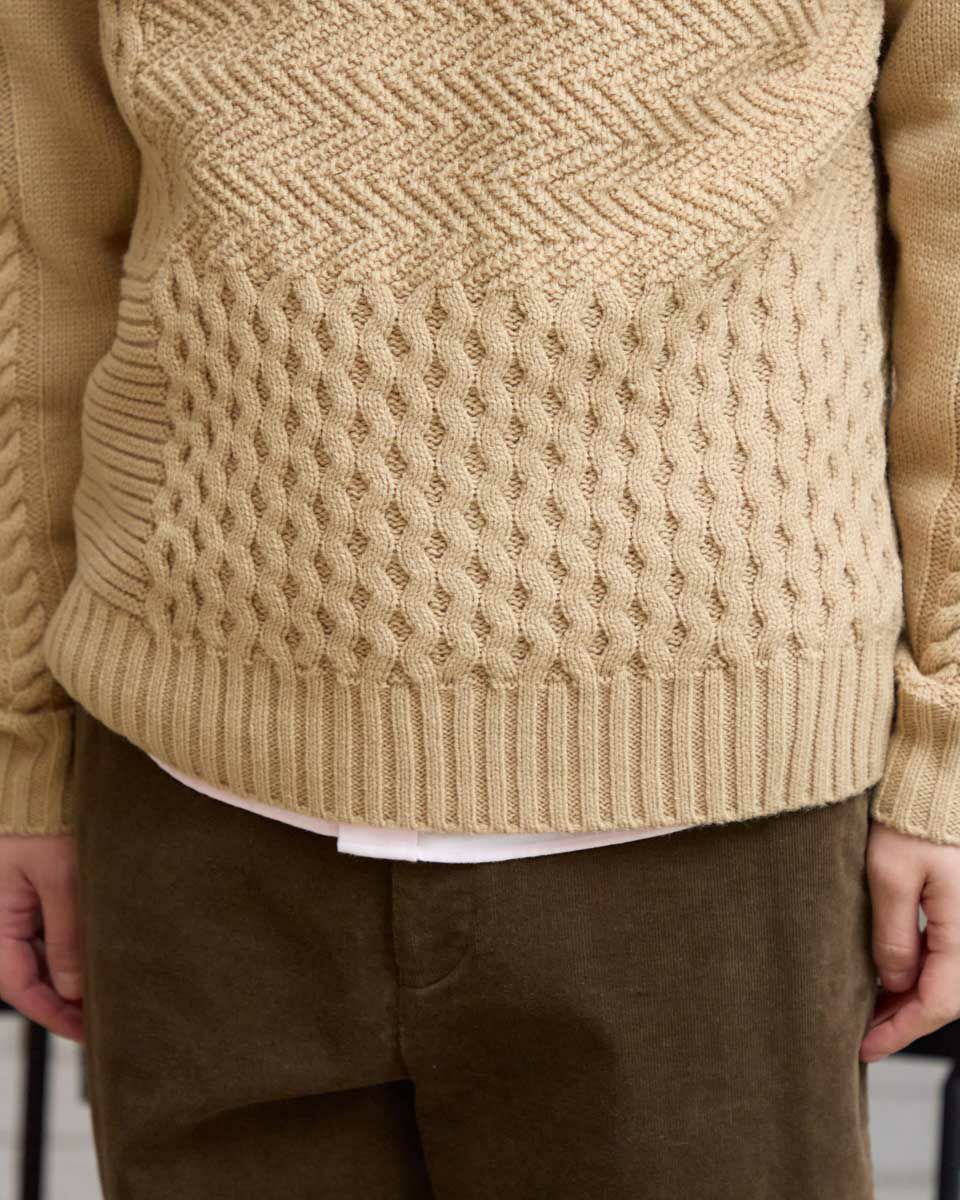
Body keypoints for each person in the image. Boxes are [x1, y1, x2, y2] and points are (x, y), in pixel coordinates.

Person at [0, 0, 958, 1195]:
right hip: (195, 793)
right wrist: (22, 747)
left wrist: (949, 754)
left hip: (710, 817)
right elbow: (39, 236)